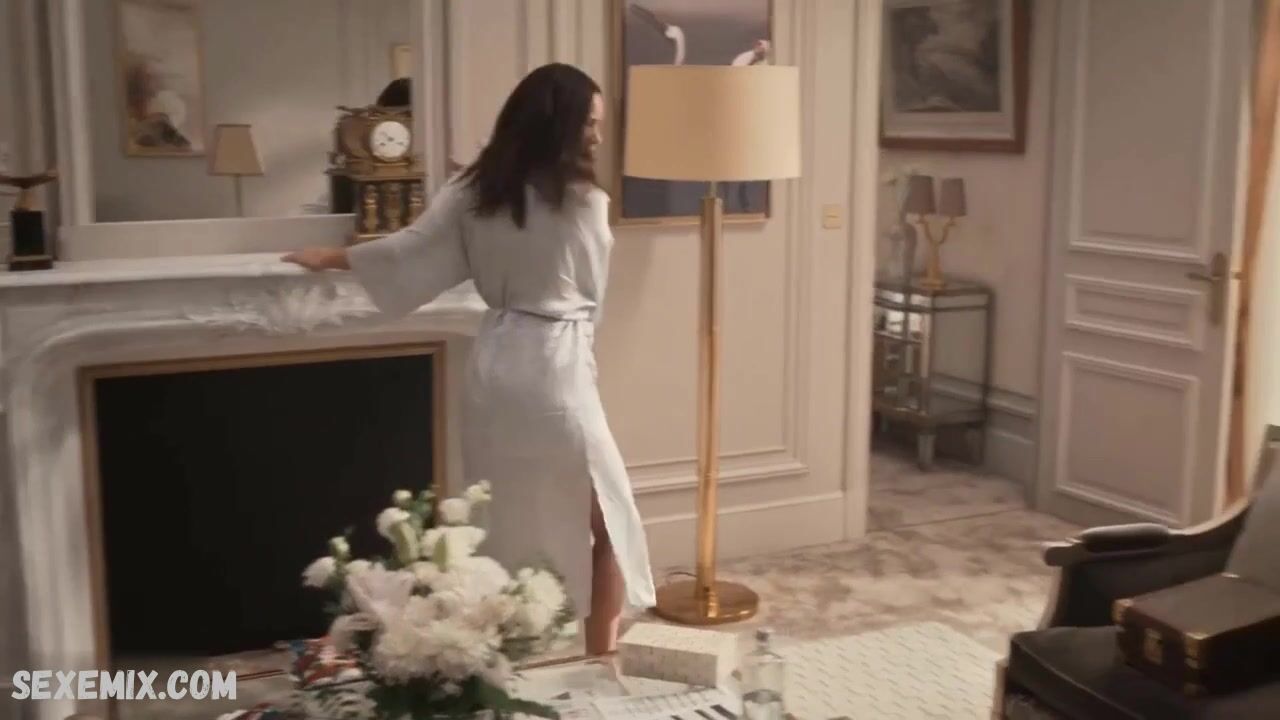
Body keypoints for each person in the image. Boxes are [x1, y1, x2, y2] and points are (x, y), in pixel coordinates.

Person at [283, 63, 656, 653]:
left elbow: (408, 252)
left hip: (495, 362)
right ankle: (599, 657)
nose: (597, 136)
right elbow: (591, 299)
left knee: (500, 519)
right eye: (590, 123)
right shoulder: (584, 202)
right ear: (559, 125)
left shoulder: (473, 191)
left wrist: (331, 257)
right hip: (556, 365)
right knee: (610, 520)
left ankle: (496, 655)